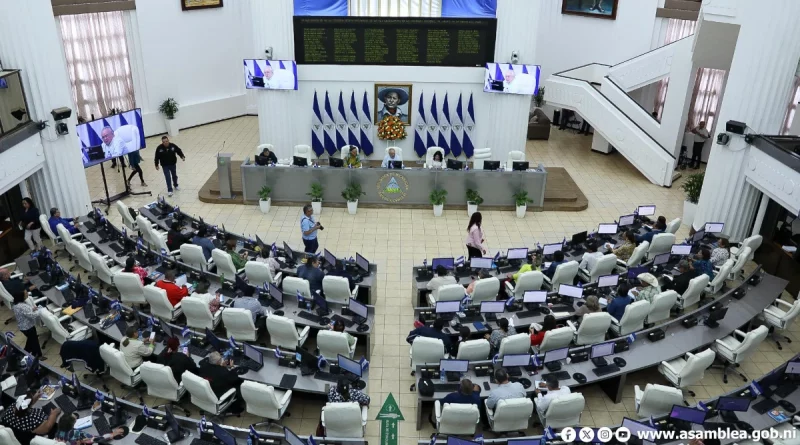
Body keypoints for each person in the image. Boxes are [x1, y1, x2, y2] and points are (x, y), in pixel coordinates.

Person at [12, 289, 44, 359]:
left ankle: (24, 352)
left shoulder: (16, 305)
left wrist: (32, 309)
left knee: (31, 340)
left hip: (23, 327)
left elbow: (25, 313)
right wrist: (40, 311)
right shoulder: (23, 306)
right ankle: (38, 356)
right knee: (34, 342)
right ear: (21, 296)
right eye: (26, 293)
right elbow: (32, 315)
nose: (27, 294)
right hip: (28, 327)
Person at [56, 411, 124, 444]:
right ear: (72, 424)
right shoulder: (75, 433)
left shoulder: (58, 432)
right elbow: (95, 439)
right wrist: (113, 434)